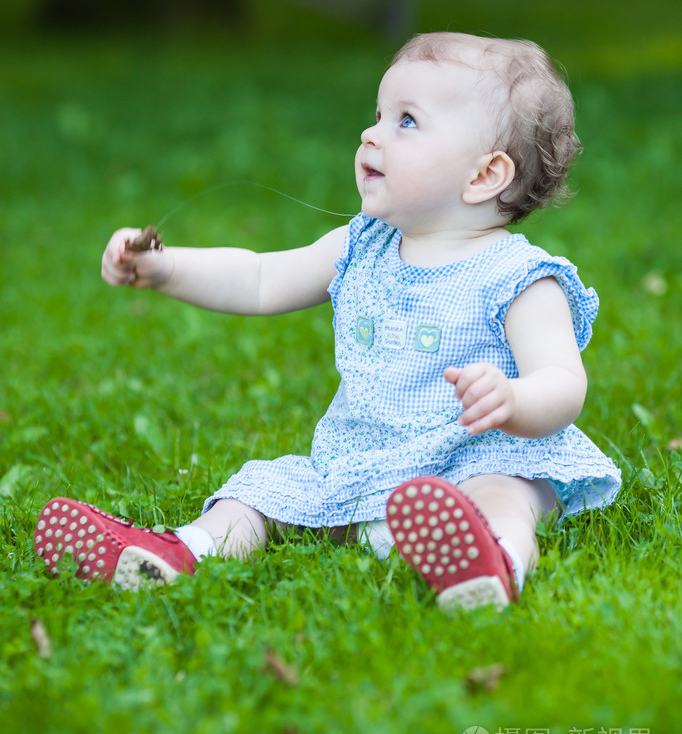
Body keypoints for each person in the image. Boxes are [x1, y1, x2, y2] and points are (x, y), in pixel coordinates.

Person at [34, 32, 621, 611]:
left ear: (483, 176)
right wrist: (165, 270)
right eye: (378, 114)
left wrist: (514, 400)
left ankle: (491, 562)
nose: (371, 134)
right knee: (259, 492)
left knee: (503, 494)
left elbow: (564, 383)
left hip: (475, 457)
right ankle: (179, 553)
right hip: (359, 464)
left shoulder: (520, 276)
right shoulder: (360, 245)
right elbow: (261, 279)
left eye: (407, 121)